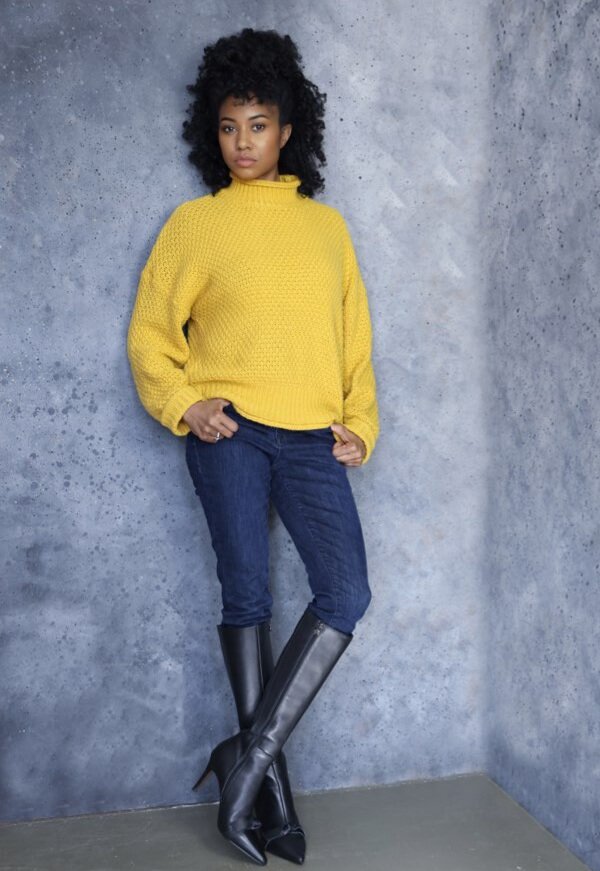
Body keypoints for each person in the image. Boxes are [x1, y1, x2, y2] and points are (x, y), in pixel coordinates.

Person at [126, 27, 380, 867]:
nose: (243, 142)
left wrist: (359, 421)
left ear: (288, 130)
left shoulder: (326, 229)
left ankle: (246, 760)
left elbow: (353, 341)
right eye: (230, 126)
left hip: (309, 438)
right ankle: (272, 796)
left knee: (344, 589)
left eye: (259, 125)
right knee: (248, 597)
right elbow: (151, 335)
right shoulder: (196, 224)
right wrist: (184, 405)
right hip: (229, 432)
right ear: (214, 130)